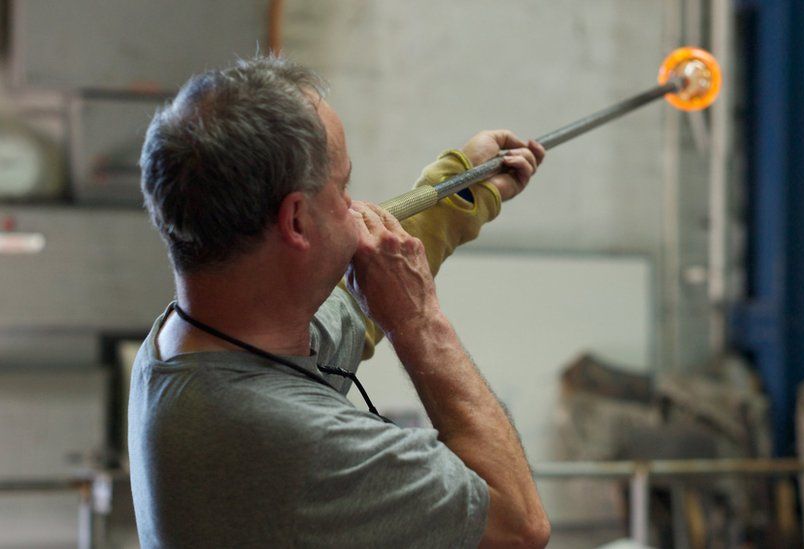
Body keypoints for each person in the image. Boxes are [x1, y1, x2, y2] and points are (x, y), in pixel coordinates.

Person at [128, 55, 550, 548]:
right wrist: (417, 320)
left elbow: (349, 302)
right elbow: (519, 525)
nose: (356, 210)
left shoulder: (190, 341)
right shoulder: (295, 439)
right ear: (297, 221)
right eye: (343, 189)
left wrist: (459, 190)